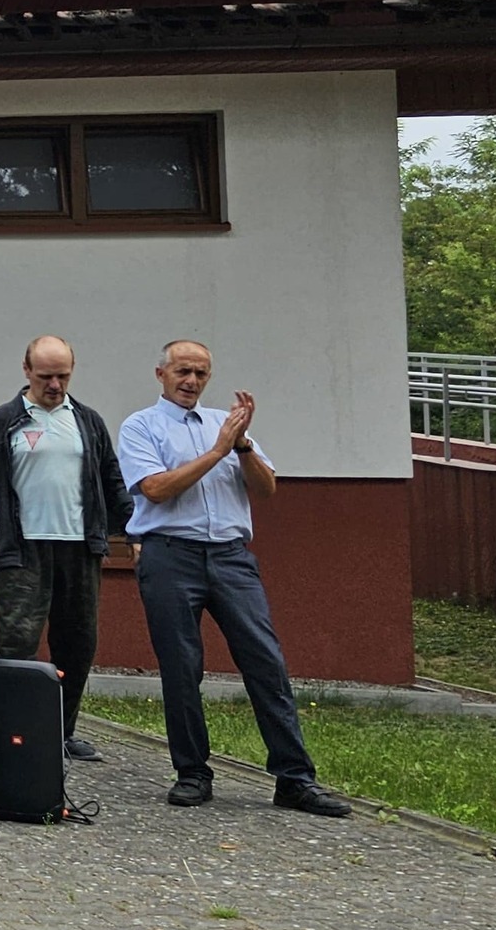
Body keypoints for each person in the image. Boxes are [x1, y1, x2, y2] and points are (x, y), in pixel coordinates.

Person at [118, 341, 352, 816]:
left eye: (201, 373)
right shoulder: (141, 426)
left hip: (230, 557)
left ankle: (294, 778)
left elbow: (265, 489)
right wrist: (218, 451)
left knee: (266, 661)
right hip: (170, 555)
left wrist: (241, 446)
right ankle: (192, 772)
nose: (192, 381)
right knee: (182, 667)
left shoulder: (225, 425)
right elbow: (155, 489)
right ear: (161, 374)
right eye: (183, 371)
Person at [0, 335, 128, 761]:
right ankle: (11, 733)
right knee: (18, 642)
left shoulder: (87, 421)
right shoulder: (1, 422)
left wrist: (129, 530)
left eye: (63, 375)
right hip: (22, 548)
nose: (55, 385)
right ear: (26, 371)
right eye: (45, 376)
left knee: (78, 642)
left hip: (79, 547)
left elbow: (111, 478)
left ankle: (63, 731)